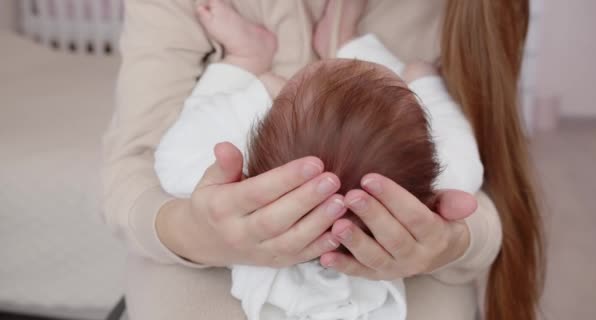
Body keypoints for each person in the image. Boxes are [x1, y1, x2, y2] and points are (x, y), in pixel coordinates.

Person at [103, 0, 543, 319]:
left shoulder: (221, 161)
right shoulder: (451, 168)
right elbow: (461, 165)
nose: (287, 77)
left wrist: (251, 75)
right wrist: (425, 82)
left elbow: (173, 156)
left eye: (284, 90)